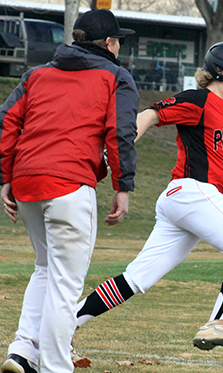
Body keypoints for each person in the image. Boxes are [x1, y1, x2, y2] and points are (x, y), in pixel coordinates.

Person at [73, 41, 223, 357]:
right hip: (190, 193)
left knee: (136, 278)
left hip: (192, 199)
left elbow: (218, 168)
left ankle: (65, 325)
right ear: (219, 69)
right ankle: (218, 322)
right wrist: (120, 146)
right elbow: (151, 115)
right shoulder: (198, 99)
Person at [0, 9, 138, 373]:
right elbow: (120, 133)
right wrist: (123, 186)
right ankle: (56, 368)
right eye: (118, 39)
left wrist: (6, 178)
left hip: (28, 184)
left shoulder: (37, 74)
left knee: (45, 269)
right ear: (109, 43)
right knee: (64, 286)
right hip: (70, 185)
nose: (120, 44)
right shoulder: (116, 76)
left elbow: (6, 122)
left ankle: (21, 352)